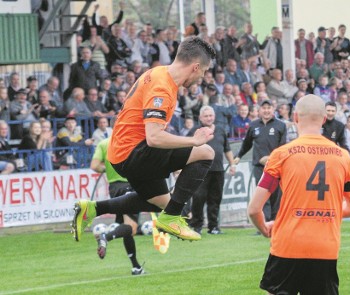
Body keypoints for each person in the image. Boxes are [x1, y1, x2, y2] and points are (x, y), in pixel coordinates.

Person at [72, 37, 217, 242]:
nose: (202, 77)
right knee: (205, 153)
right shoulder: (163, 88)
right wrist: (193, 141)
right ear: (195, 67)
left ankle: (92, 209)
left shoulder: (158, 72)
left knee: (167, 202)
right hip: (133, 152)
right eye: (203, 71)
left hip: (123, 153)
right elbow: (154, 137)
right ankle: (171, 219)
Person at [247, 94, 350, 295]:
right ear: (324, 119)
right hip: (325, 248)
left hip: (287, 245)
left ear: (295, 117)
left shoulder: (282, 154)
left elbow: (254, 209)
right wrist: (326, 211)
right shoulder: (343, 157)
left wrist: (265, 228)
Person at [90, 138, 146, 275]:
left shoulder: (103, 144)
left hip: (114, 188)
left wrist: (107, 169)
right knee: (131, 227)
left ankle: (136, 267)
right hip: (130, 185)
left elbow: (94, 165)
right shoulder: (131, 140)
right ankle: (105, 236)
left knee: (124, 227)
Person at [234, 99, 287, 222]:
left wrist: (271, 159)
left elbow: (283, 147)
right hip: (259, 167)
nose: (266, 110)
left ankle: (275, 223)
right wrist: (239, 155)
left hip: (276, 167)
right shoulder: (253, 126)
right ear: (259, 110)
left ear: (273, 110)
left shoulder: (280, 125)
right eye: (264, 108)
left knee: (276, 195)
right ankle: (265, 223)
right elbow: (246, 144)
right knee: (263, 196)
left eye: (269, 108)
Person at [188, 106, 235, 235]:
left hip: (218, 170)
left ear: (214, 117)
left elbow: (227, 148)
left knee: (215, 199)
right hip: (200, 170)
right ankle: (196, 226)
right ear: (200, 118)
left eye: (210, 115)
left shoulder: (220, 130)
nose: (209, 118)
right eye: (206, 116)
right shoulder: (194, 131)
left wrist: (232, 164)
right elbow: (185, 148)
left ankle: (213, 227)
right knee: (198, 197)